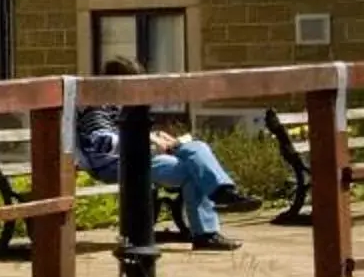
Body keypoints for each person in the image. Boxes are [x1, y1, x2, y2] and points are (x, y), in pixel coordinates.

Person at [76, 58, 258, 252]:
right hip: (119, 164)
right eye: (134, 85)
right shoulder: (98, 108)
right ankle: (210, 222)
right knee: (195, 169)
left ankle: (219, 200)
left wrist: (160, 140)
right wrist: (148, 139)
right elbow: (101, 143)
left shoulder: (119, 105)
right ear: (118, 83)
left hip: (139, 158)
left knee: (196, 149)